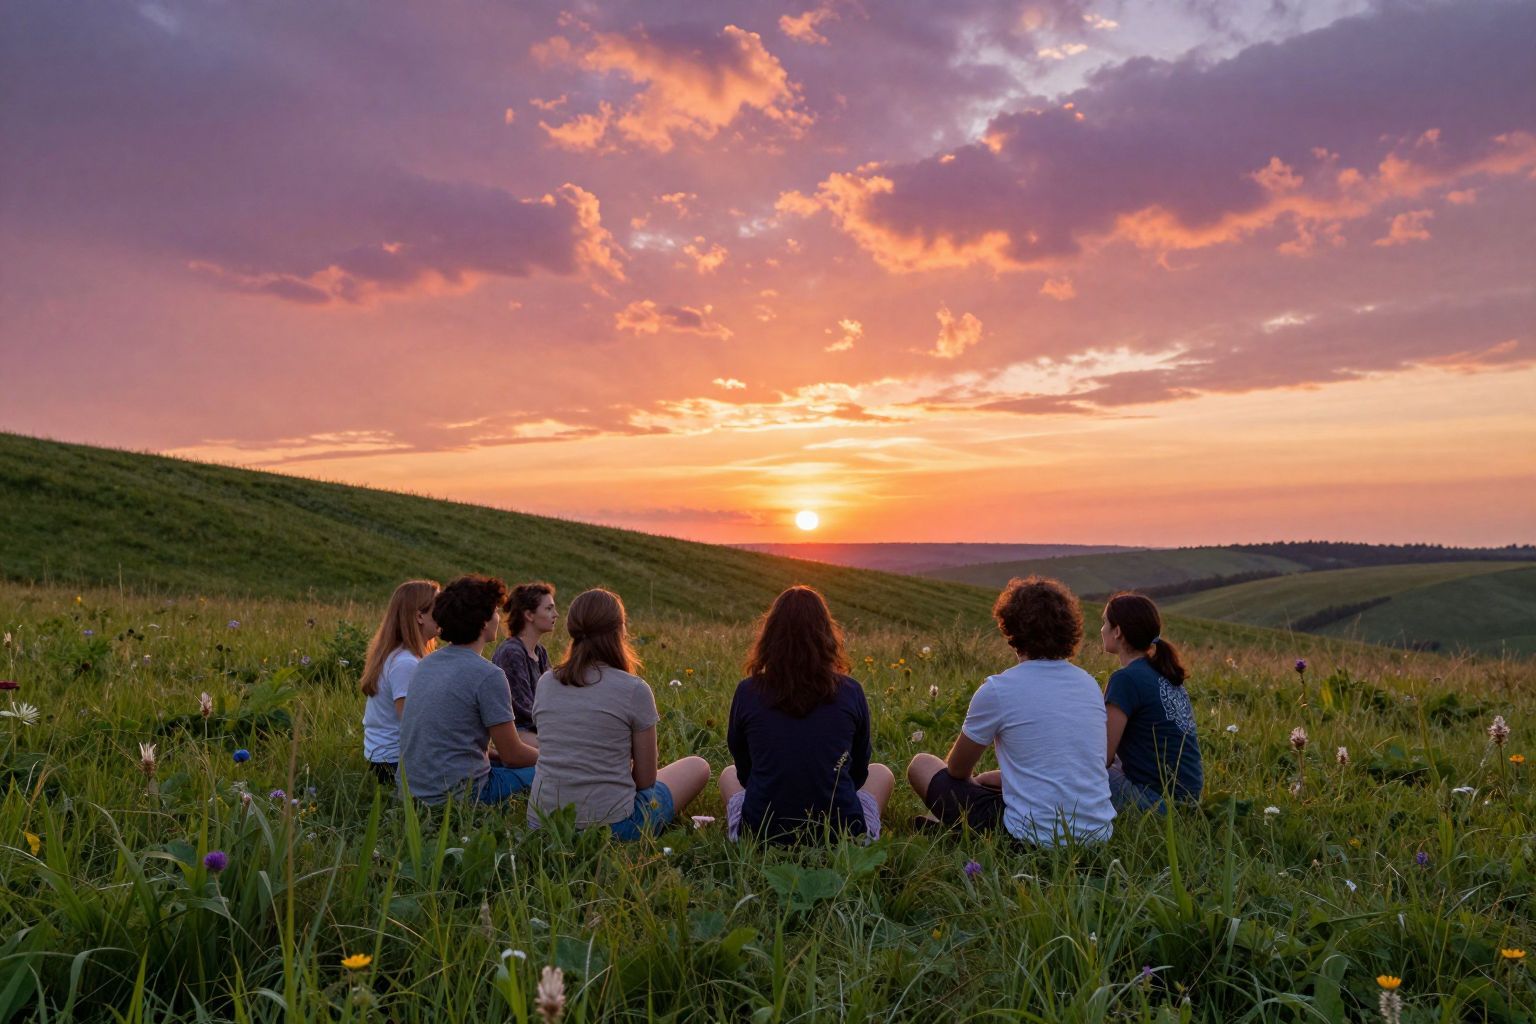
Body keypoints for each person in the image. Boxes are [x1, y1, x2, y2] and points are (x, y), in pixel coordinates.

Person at [907, 576, 1115, 846]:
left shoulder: (999, 690)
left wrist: (977, 783)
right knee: (991, 784)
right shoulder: (1088, 684)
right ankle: (954, 829)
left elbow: (958, 771)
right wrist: (991, 780)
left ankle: (957, 830)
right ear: (1068, 629)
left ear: (1011, 630)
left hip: (1031, 838)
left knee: (921, 765)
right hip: (1097, 835)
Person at [528, 588, 709, 839]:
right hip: (611, 829)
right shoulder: (634, 689)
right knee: (697, 766)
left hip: (543, 827)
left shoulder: (546, 682)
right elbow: (645, 781)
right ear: (619, 631)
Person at [719, 586, 894, 844]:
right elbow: (859, 772)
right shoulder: (850, 691)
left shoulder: (747, 691)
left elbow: (745, 771)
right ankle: (860, 835)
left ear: (769, 637)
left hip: (759, 835)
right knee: (882, 773)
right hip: (843, 834)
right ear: (827, 637)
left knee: (727, 774)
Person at [398, 574, 538, 805]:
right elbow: (513, 755)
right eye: (494, 611)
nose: (497, 617)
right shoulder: (488, 676)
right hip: (460, 797)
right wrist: (553, 760)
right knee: (550, 774)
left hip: (411, 794)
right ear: (483, 622)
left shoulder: (425, 665)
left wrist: (493, 756)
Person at [1100, 592, 1202, 811]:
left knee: (1073, 771)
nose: (1101, 629)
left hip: (1157, 803)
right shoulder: (1164, 673)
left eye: (1105, 622)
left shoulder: (1125, 679)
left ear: (1117, 632)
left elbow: (1102, 757)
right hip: (1189, 802)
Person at [359, 579, 440, 785]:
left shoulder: (402, 656)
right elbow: (412, 725)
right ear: (420, 616)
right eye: (439, 606)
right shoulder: (406, 663)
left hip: (386, 758)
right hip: (392, 765)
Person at [490, 582, 557, 748]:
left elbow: (551, 696)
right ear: (529, 615)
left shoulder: (540, 652)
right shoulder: (512, 653)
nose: (555, 614)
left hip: (538, 730)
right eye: (548, 609)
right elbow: (523, 708)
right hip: (518, 733)